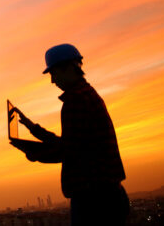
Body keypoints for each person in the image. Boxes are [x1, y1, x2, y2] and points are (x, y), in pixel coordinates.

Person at [10, 43, 128, 225]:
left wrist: (33, 153)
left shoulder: (76, 101)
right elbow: (71, 144)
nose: (52, 81)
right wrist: (32, 128)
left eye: (53, 74)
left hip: (94, 200)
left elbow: (68, 152)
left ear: (67, 69)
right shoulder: (87, 95)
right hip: (106, 195)